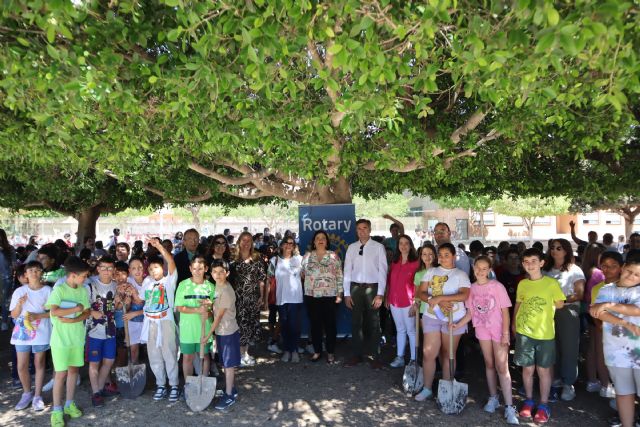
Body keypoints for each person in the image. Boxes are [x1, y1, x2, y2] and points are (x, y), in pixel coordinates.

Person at [451, 256, 518, 424]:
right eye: (477, 268)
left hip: (498, 330)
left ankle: (510, 406)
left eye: (484, 268)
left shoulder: (497, 287)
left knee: (502, 366)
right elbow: (471, 313)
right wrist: (457, 324)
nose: (480, 271)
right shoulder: (471, 289)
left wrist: (505, 333)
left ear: (489, 270)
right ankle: (493, 397)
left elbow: (505, 312)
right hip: (482, 330)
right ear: (473, 268)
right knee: (489, 363)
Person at [512, 248, 565, 424]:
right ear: (523, 264)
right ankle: (528, 400)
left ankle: (543, 404)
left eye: (534, 261)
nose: (530, 265)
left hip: (545, 334)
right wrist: (513, 324)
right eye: (526, 262)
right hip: (524, 333)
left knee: (543, 370)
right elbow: (518, 305)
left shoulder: (551, 283)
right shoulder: (522, 284)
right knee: (527, 369)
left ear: (542, 263)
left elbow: (559, 304)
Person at [414, 243, 470, 401]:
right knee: (428, 353)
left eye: (447, 255)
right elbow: (421, 292)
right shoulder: (431, 272)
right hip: (432, 317)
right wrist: (435, 301)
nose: (443, 258)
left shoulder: (460, 274)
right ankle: (427, 388)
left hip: (454, 318)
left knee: (448, 353)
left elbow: (464, 295)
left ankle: (447, 388)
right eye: (441, 255)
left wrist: (441, 298)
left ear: (453, 256)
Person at [591, 257, 640, 427]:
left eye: (637, 275)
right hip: (615, 351)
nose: (631, 276)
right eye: (629, 271)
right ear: (623, 267)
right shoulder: (606, 289)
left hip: (638, 351)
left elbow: (637, 310)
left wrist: (609, 305)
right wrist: (625, 323)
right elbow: (597, 312)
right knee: (623, 392)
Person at [45, 256, 91, 427]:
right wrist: (75, 309)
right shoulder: (59, 290)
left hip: (77, 339)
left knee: (73, 372)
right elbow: (54, 311)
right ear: (72, 275)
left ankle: (69, 404)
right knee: (60, 375)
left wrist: (74, 319)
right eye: (83, 275)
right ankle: (56, 411)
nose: (85, 278)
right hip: (60, 341)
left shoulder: (82, 290)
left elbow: (86, 312)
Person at [543, 238, 586, 401]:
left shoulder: (574, 270)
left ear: (566, 250)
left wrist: (562, 301)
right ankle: (555, 380)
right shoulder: (545, 269)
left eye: (559, 248)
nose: (555, 250)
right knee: (551, 346)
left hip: (568, 311)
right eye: (552, 247)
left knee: (569, 348)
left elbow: (579, 293)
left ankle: (569, 383)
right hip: (547, 313)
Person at [343, 219, 388, 368]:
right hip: (355, 289)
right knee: (356, 323)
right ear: (356, 231)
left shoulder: (378, 247)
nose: (362, 231)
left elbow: (383, 271)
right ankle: (357, 354)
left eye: (365, 228)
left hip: (372, 288)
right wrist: (347, 293)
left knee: (374, 323)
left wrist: (380, 294)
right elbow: (347, 272)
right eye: (359, 229)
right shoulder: (352, 248)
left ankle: (375, 355)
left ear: (370, 230)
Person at [139, 239, 180, 402]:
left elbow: (170, 261)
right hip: (150, 324)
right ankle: (161, 384)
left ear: (162, 268)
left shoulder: (169, 280)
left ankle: (174, 385)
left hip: (166, 322)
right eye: (150, 268)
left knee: (169, 353)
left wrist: (159, 247)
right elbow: (141, 299)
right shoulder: (147, 282)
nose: (153, 270)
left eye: (156, 267)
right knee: (154, 355)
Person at [10, 260, 51, 411]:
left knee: (39, 364)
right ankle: (27, 393)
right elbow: (13, 314)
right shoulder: (19, 292)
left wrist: (39, 316)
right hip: (22, 333)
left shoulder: (48, 291)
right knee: (21, 366)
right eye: (30, 270)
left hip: (41, 332)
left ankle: (37, 396)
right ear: (25, 274)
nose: (34, 273)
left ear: (41, 272)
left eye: (37, 270)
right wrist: (20, 305)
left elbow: (53, 312)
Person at [203, 259, 241, 410]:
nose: (217, 275)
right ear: (210, 273)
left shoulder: (226, 291)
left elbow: (218, 317)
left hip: (227, 331)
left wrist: (207, 335)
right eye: (215, 272)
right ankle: (231, 388)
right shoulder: (217, 287)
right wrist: (209, 304)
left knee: (228, 364)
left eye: (221, 272)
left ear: (227, 273)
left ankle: (230, 394)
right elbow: (215, 306)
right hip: (222, 331)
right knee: (225, 361)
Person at [302, 230, 343, 364]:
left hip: (330, 296)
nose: (320, 240)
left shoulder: (334, 256)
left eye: (323, 238)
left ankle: (330, 352)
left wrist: (339, 294)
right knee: (315, 326)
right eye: (317, 238)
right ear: (314, 242)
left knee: (330, 325)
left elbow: (339, 276)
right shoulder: (307, 256)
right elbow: (302, 274)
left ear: (327, 241)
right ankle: (317, 351)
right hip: (312, 296)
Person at [586, 251, 622, 400]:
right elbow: (594, 310)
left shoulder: (627, 286)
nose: (608, 269)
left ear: (621, 267)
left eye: (613, 266)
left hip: (625, 331)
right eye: (605, 266)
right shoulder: (597, 288)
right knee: (604, 357)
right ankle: (608, 386)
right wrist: (600, 326)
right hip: (605, 329)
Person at [175, 255, 215, 380]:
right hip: (187, 330)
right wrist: (197, 310)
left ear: (206, 269)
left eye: (200, 269)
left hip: (205, 330)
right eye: (194, 269)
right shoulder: (183, 285)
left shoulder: (210, 287)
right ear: (190, 269)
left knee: (205, 355)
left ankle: (203, 380)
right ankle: (189, 383)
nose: (197, 272)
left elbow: (214, 310)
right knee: (187, 357)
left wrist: (208, 313)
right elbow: (179, 307)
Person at [86, 256, 119, 407]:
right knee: (94, 363)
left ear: (113, 270)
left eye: (109, 268)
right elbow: (83, 308)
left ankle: (99, 389)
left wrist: (120, 302)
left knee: (109, 360)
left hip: (110, 330)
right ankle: (96, 393)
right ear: (98, 269)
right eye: (103, 268)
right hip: (94, 331)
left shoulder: (116, 285)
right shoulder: (90, 285)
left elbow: (116, 307)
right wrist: (93, 313)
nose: (106, 271)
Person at [231, 231, 266, 366]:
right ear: (239, 242)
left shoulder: (257, 258)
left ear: (252, 243)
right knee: (240, 326)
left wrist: (262, 297)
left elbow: (261, 279)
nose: (246, 243)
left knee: (250, 326)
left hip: (253, 297)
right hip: (237, 298)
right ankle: (240, 354)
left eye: (249, 240)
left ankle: (245, 353)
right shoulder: (233, 259)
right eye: (243, 240)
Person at [268, 236, 304, 363]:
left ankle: (294, 350)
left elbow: (305, 276)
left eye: (291, 243)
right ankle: (287, 350)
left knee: (294, 326)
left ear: (294, 246)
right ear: (281, 245)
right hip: (281, 298)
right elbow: (269, 280)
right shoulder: (274, 260)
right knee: (284, 325)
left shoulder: (300, 259)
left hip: (296, 298)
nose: (289, 245)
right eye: (286, 243)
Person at [386, 235, 420, 368]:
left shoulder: (416, 263)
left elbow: (419, 285)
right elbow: (390, 282)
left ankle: (413, 360)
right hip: (394, 302)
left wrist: (416, 303)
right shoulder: (394, 262)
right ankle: (400, 357)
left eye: (406, 243)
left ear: (410, 245)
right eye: (401, 243)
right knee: (400, 330)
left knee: (411, 331)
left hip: (409, 302)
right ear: (398, 245)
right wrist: (387, 297)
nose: (404, 246)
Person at [112, 261, 144, 367]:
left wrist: (128, 300)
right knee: (116, 353)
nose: (120, 277)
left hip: (125, 324)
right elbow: (115, 308)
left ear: (128, 274)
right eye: (117, 274)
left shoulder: (129, 286)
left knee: (125, 351)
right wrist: (118, 302)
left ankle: (131, 368)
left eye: (123, 273)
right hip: (114, 325)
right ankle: (118, 372)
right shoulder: (112, 286)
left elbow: (133, 305)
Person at [122, 258, 146, 364]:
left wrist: (136, 313)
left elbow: (151, 306)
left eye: (140, 267)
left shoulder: (149, 281)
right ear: (130, 270)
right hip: (132, 322)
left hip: (148, 320)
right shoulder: (128, 282)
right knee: (133, 349)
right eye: (134, 268)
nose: (137, 271)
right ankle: (134, 368)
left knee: (151, 348)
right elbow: (125, 305)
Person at [1, 228, 16, 330]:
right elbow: (14, 265)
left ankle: (4, 321)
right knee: (6, 300)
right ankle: (4, 322)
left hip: (7, 278)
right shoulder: (9, 249)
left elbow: (14, 265)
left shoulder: (10, 249)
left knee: (6, 300)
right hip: (7, 277)